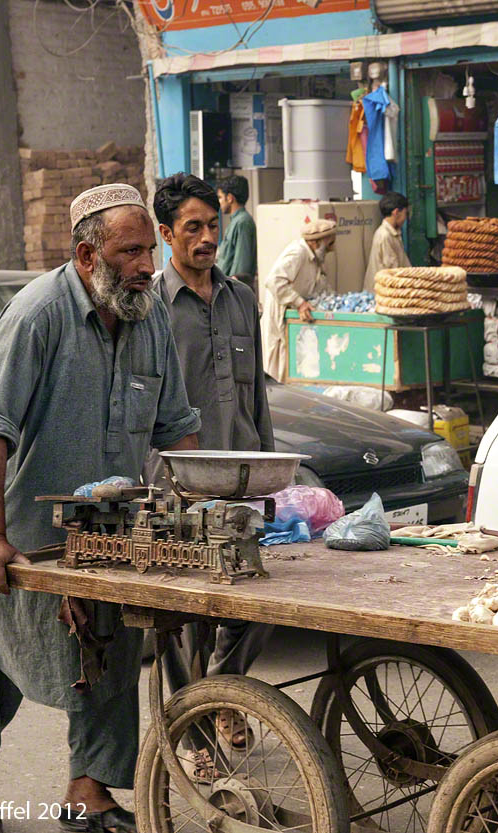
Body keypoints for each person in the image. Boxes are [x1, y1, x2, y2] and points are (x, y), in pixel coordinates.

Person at [0, 183, 200, 833]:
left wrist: (193, 516)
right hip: (12, 525)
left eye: (149, 249)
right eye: (130, 251)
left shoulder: (147, 313)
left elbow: (178, 429)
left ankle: (87, 792)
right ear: (86, 255)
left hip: (104, 533)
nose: (147, 264)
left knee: (111, 656)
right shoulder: (36, 314)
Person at [151, 173, 275, 776]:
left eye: (211, 226)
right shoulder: (148, 307)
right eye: (191, 228)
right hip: (173, 485)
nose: (205, 239)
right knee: (180, 623)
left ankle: (223, 693)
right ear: (166, 233)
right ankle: (196, 736)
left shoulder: (242, 298)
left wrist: (278, 476)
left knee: (257, 602)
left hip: (242, 483)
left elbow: (259, 403)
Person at [260, 218, 337, 381]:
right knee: (280, 363)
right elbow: (274, 281)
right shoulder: (298, 252)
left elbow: (320, 285)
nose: (332, 249)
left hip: (294, 315)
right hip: (280, 313)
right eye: (329, 244)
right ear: (316, 243)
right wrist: (299, 303)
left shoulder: (316, 258)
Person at [215, 174, 257, 296]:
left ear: (230, 198)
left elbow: (241, 267)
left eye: (220, 197)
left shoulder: (242, 222)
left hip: (234, 292)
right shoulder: (235, 222)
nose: (219, 202)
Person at [363, 191, 411, 291]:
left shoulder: (393, 233)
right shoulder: (385, 236)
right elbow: (393, 271)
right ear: (396, 212)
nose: (405, 218)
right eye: (405, 213)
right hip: (382, 293)